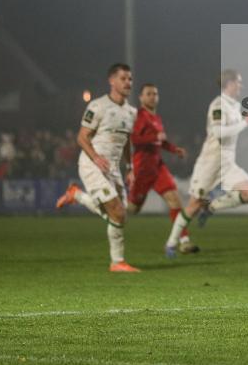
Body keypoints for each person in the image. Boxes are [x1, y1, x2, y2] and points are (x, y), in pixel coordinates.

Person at [55, 63, 140, 272]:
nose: (128, 82)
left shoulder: (131, 112)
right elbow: (81, 137)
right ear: (112, 81)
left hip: (113, 168)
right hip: (92, 164)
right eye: (123, 78)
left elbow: (127, 141)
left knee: (121, 216)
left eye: (130, 79)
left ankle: (77, 196)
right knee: (118, 213)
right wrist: (95, 157)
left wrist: (130, 167)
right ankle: (117, 262)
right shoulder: (98, 106)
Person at [164, 70, 248, 257]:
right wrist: (244, 124)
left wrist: (243, 121)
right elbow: (218, 133)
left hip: (228, 163)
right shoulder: (217, 105)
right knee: (193, 205)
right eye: (238, 82)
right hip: (210, 163)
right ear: (229, 83)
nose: (241, 85)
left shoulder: (235, 106)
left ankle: (211, 207)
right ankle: (171, 244)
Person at [126, 83, 196, 253]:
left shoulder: (156, 118)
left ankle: (184, 241)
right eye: (148, 94)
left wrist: (174, 149)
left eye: (155, 94)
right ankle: (97, 203)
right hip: (142, 169)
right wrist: (153, 137)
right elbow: (134, 140)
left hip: (158, 167)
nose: (152, 97)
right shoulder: (139, 116)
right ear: (141, 98)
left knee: (175, 199)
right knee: (131, 209)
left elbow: (160, 141)